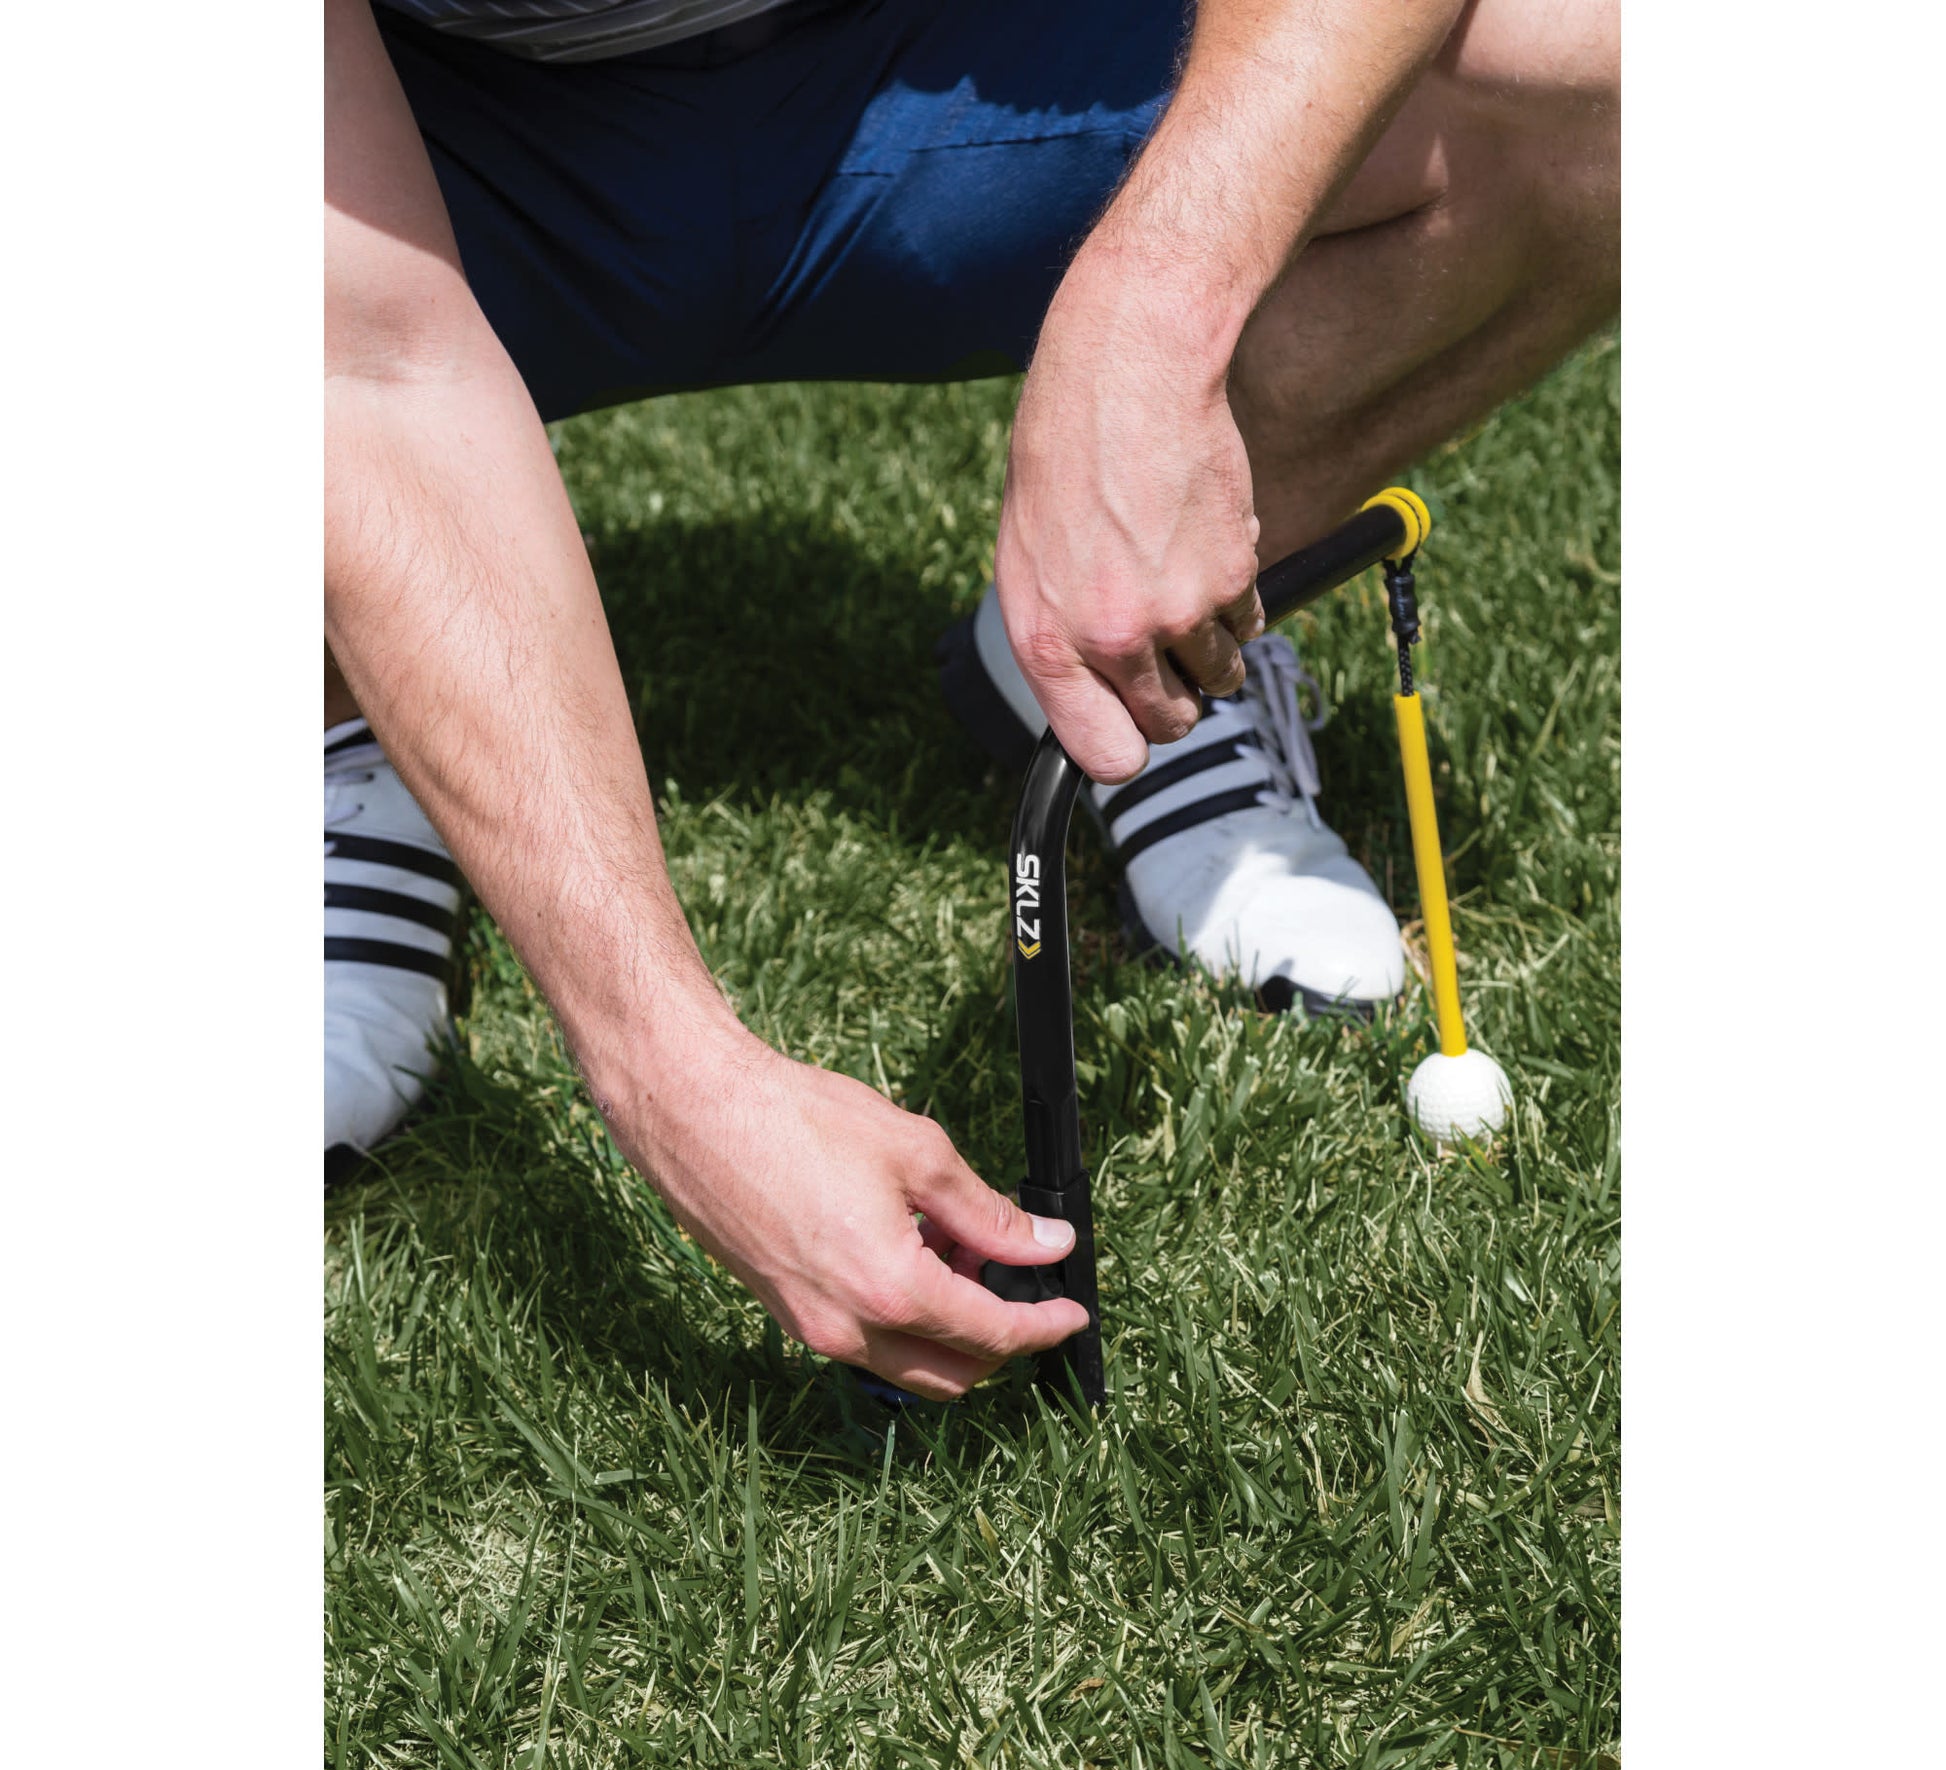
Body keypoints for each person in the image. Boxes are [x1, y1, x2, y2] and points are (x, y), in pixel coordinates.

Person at [325, 0, 1617, 1399]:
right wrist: (672, 1072)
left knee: (1603, 71)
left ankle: (1148, 654)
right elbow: (356, 358)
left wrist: (1161, 295)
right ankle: (357, 722)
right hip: (441, 147)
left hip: (937, 49)